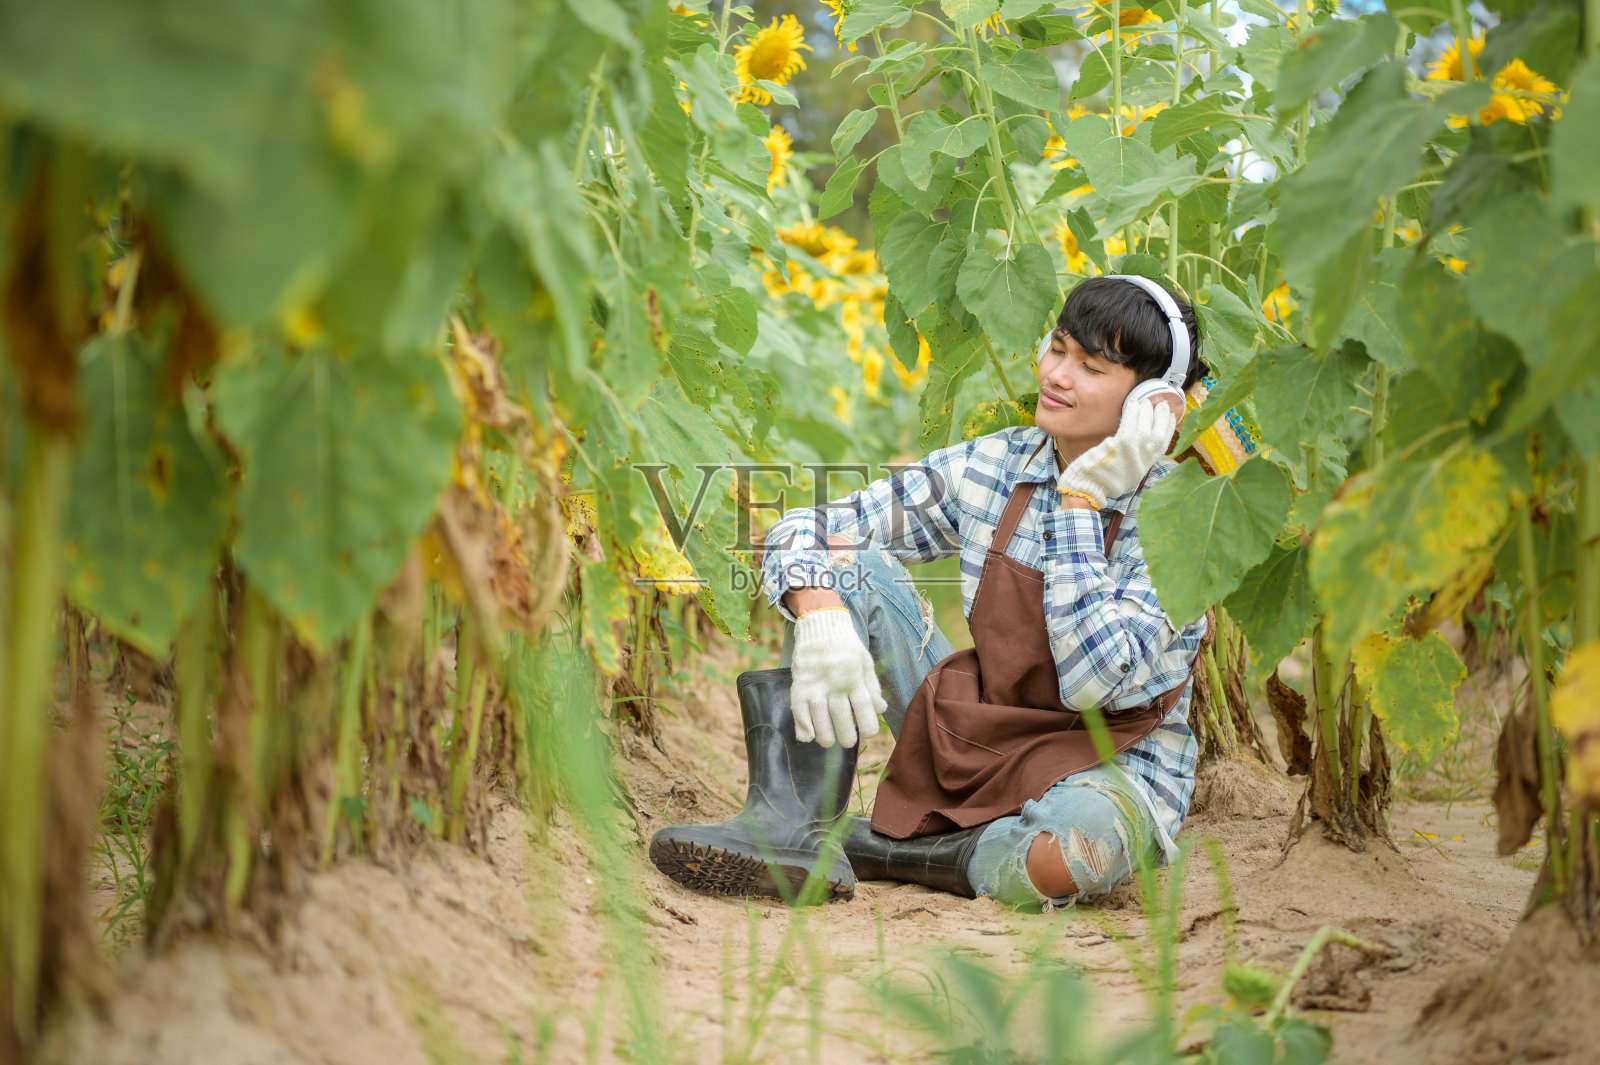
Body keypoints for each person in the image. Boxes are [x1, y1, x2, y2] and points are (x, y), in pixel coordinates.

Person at [649, 276, 1207, 911]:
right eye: (1058, 347)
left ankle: (904, 851)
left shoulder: (1181, 517)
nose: (1058, 374)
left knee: (1065, 859)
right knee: (844, 565)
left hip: (1112, 768)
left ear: (1150, 405)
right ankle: (789, 827)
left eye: (1092, 367)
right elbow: (807, 527)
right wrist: (819, 611)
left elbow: (1093, 681)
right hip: (984, 730)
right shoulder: (993, 466)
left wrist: (1083, 498)